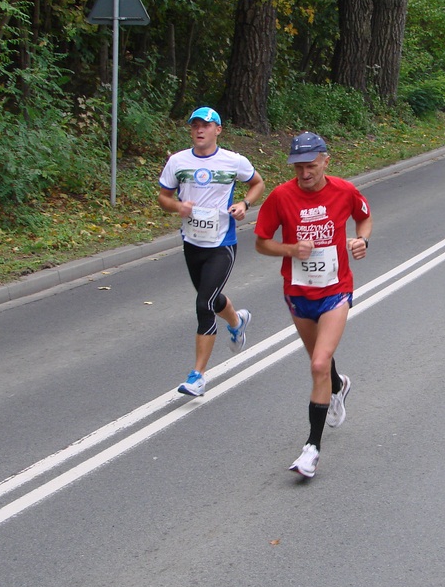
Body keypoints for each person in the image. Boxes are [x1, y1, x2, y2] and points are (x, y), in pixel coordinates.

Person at [255, 132, 372, 479]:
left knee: (319, 363)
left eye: (310, 166)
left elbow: (364, 217)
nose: (304, 173)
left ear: (325, 160)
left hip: (336, 290)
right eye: (298, 167)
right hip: (298, 294)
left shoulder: (344, 191)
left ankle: (312, 450)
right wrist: (290, 250)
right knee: (319, 364)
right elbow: (261, 243)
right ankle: (339, 386)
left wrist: (361, 240)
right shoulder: (280, 196)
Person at [158, 107, 266, 397]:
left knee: (203, 304)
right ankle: (237, 321)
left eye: (206, 125)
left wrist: (244, 204)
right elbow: (163, 196)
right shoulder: (178, 161)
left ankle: (197, 376)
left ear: (218, 130)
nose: (199, 130)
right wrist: (177, 207)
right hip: (192, 243)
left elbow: (257, 183)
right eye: (195, 125)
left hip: (221, 244)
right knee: (211, 297)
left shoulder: (233, 161)